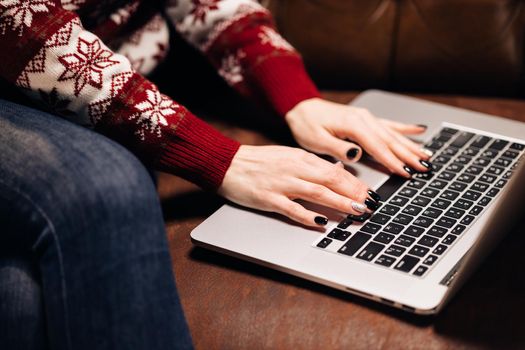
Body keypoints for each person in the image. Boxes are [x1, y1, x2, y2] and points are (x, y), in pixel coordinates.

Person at [0, 0, 432, 349]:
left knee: (20, 298)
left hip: (108, 76)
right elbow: (18, 23)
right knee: (106, 188)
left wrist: (299, 99)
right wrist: (221, 159)